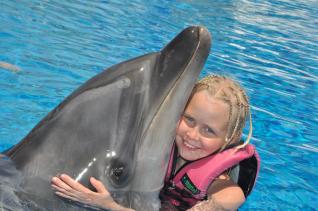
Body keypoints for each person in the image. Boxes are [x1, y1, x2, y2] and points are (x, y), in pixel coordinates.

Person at [51, 75, 260, 211]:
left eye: (209, 131)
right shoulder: (166, 146)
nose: (193, 135)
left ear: (230, 139)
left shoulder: (218, 179)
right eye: (189, 119)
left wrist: (108, 205)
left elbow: (233, 197)